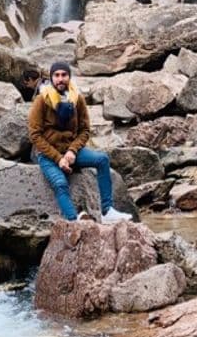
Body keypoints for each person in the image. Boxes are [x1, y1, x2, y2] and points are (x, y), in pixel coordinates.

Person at [28, 60, 131, 223]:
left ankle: (107, 211)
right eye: (56, 75)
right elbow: (35, 135)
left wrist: (72, 151)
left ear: (69, 77)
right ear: (51, 78)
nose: (60, 79)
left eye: (64, 75)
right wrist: (58, 158)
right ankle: (74, 222)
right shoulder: (41, 100)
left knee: (102, 159)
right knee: (61, 184)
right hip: (48, 155)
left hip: (71, 151)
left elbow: (85, 130)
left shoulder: (77, 99)